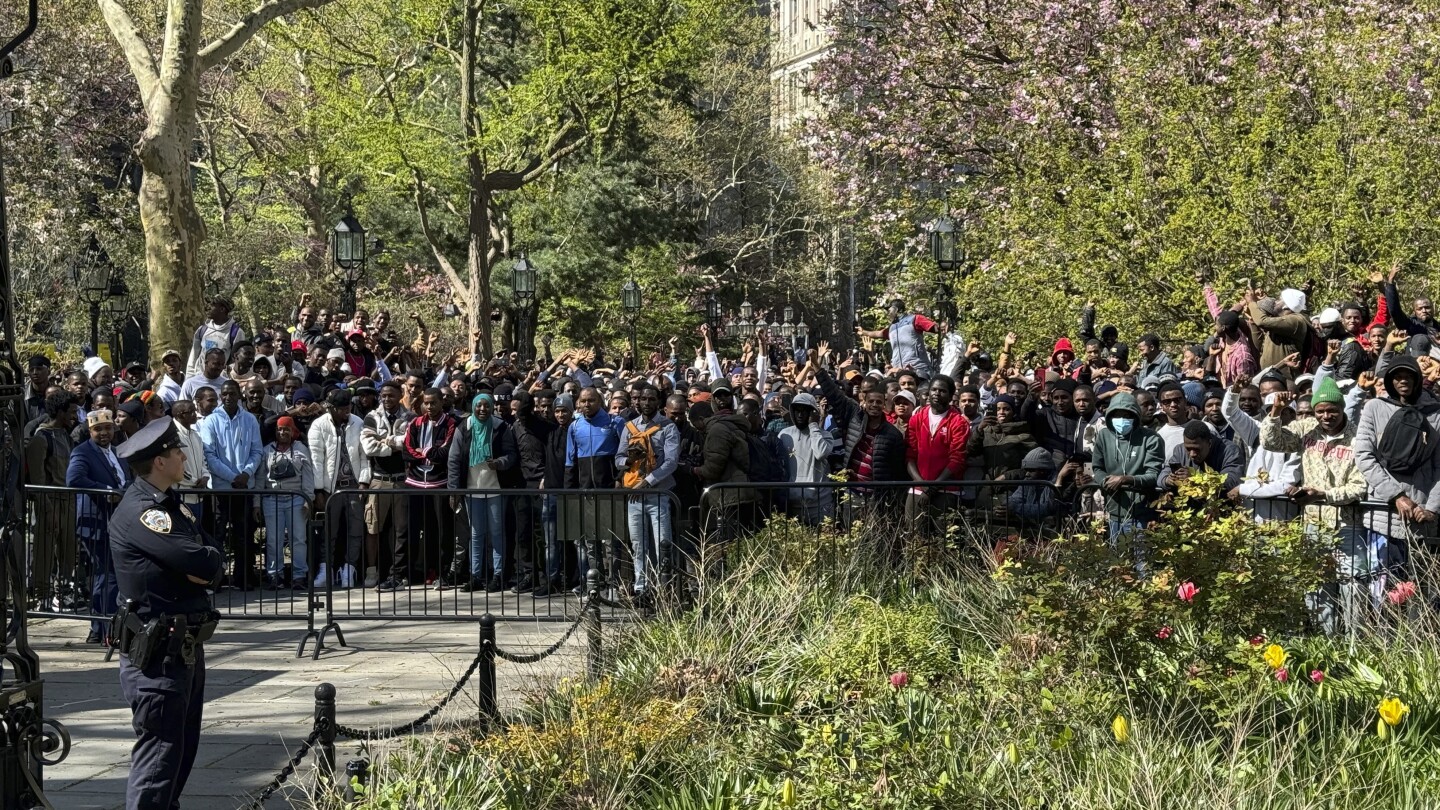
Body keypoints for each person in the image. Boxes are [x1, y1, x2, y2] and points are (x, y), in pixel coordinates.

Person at [109, 417, 224, 810]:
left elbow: (212, 558)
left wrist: (201, 563)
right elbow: (200, 561)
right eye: (177, 451)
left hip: (184, 649)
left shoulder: (173, 506)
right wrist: (199, 564)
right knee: (158, 759)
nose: (182, 456)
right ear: (159, 461)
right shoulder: (144, 513)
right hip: (157, 656)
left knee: (179, 751)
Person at [1260, 379, 1373, 633]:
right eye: (1320, 410)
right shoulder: (1306, 430)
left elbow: (1360, 486)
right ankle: (1326, 644)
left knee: (1354, 588)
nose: (1326, 416)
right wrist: (1276, 411)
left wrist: (1323, 494)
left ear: (1342, 408)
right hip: (1314, 525)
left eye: (1332, 410)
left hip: (1347, 526)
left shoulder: (1357, 439)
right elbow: (1270, 442)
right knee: (1317, 588)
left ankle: (1357, 647)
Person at [67, 408, 131, 643]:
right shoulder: (82, 452)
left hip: (116, 522)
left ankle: (102, 628)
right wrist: (106, 492)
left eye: (107, 428)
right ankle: (103, 628)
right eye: (97, 429)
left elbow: (124, 478)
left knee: (110, 575)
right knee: (107, 575)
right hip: (95, 523)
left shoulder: (116, 451)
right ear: (90, 431)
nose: (103, 433)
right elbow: (74, 479)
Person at [448, 393, 519, 592]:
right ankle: (475, 576)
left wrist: (500, 463)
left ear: (491, 407)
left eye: (486, 406)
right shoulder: (464, 426)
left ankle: (498, 575)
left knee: (497, 533)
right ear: (473, 406)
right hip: (472, 489)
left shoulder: (500, 427)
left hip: (495, 489)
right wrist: (454, 491)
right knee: (476, 534)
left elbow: (511, 454)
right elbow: (453, 460)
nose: (482, 410)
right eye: (478, 406)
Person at [615, 384, 679, 602]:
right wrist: (629, 460)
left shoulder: (667, 427)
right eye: (643, 399)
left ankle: (664, 588)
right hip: (634, 495)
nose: (647, 403)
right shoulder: (629, 427)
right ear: (637, 401)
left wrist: (648, 482)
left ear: (658, 402)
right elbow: (618, 459)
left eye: (652, 399)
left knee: (663, 543)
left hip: (659, 494)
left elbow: (671, 462)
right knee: (638, 545)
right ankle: (641, 588)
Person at [199, 380, 263, 589]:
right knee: (217, 535)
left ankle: (244, 579)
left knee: (244, 535)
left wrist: (246, 474)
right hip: (220, 488)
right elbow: (210, 456)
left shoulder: (250, 420)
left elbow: (257, 451)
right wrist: (232, 477)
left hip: (245, 487)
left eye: (232, 393)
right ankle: (215, 579)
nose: (228, 397)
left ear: (239, 394)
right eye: (224, 394)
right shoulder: (211, 421)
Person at [309, 389, 372, 589]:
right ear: (332, 408)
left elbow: (364, 456)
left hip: (353, 486)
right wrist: (318, 489)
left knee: (355, 530)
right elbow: (316, 459)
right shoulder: (319, 425)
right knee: (329, 530)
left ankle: (349, 568)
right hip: (330, 488)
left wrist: (364, 481)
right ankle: (325, 568)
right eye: (342, 409)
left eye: (349, 408)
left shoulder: (358, 422)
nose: (347, 411)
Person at [23, 390, 78, 609]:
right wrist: (47, 508)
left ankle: (62, 592)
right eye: (71, 411)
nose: (74, 415)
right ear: (60, 411)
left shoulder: (66, 435)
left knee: (67, 550)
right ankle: (41, 595)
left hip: (67, 500)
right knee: (44, 550)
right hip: (49, 501)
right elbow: (37, 478)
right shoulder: (41, 437)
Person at [1090, 391, 1165, 546]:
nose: (1122, 420)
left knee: (1143, 564)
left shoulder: (1151, 438)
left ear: (1136, 416)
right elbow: (1097, 468)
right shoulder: (1103, 436)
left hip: (1143, 513)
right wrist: (1106, 481)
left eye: (1127, 415)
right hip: (1114, 511)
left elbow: (1153, 475)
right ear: (1109, 416)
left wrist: (1126, 480)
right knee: (1118, 563)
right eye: (1117, 415)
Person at [402, 389, 459, 586]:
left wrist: (424, 451)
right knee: (410, 529)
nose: (429, 407)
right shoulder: (415, 423)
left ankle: (442, 573)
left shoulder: (451, 423)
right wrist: (429, 454)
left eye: (433, 403)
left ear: (442, 402)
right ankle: (407, 573)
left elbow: (446, 452)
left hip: (439, 483)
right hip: (415, 483)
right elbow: (407, 451)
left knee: (442, 531)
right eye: (426, 403)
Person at [905, 374, 970, 547]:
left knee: (945, 541)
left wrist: (933, 487)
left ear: (950, 396)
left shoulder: (958, 422)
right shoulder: (916, 419)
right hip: (918, 488)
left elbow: (957, 459)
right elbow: (910, 455)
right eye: (934, 389)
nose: (936, 393)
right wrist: (922, 484)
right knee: (915, 540)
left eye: (942, 391)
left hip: (947, 489)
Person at [363, 380, 413, 591]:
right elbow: (368, 447)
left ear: (399, 395)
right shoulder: (371, 417)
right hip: (378, 480)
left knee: (401, 530)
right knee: (373, 527)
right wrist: (393, 444)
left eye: (391, 396)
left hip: (402, 480)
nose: (386, 399)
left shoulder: (409, 417)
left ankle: (398, 573)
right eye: (383, 395)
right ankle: (372, 571)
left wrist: (385, 441)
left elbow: (410, 444)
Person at [256, 416, 314, 589]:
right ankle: (275, 575)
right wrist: (256, 503)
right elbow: (259, 478)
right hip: (271, 499)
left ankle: (299, 576)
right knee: (274, 539)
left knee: (298, 538)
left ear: (293, 431)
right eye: (280, 429)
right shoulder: (267, 450)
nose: (283, 432)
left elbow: (308, 477)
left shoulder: (301, 449)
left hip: (296, 498)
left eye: (286, 429)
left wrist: (307, 500)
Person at [778, 392, 836, 525]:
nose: (800, 414)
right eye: (797, 410)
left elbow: (821, 453)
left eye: (805, 411)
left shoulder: (825, 435)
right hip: (793, 505)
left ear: (813, 413)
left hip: (821, 505)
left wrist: (814, 427)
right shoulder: (784, 435)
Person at [856, 298, 939, 379]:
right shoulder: (892, 328)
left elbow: (932, 327)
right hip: (899, 371)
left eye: (889, 310)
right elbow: (878, 333)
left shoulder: (915, 319)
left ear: (896, 309)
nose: (888, 313)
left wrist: (939, 328)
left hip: (918, 368)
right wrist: (863, 332)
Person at [1157, 420, 1245, 493]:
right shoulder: (1180, 450)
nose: (1192, 454)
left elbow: (1230, 481)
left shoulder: (1230, 451)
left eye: (1197, 449)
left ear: (1209, 443)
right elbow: (1162, 474)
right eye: (1188, 449)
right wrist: (1168, 480)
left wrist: (1195, 479)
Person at [171, 400, 211, 525]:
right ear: (179, 414)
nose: (195, 414)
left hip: (198, 496)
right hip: (182, 496)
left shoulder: (195, 435)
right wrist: (195, 481)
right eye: (191, 411)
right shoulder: (172, 436)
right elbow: (173, 467)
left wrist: (205, 477)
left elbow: (203, 461)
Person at [185, 296, 246, 375]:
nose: (208, 308)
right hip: (199, 377)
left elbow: (238, 360)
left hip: (220, 381)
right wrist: (189, 376)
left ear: (222, 309)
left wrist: (225, 373)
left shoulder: (236, 332)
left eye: (212, 305)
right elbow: (193, 355)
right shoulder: (202, 330)